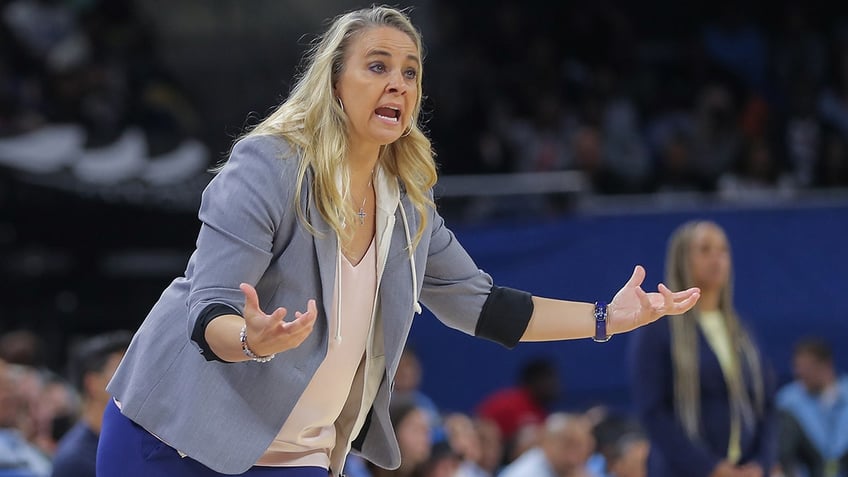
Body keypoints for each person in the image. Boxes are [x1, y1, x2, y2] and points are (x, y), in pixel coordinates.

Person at [96, 6, 700, 477]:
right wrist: (251, 339)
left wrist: (605, 318)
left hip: (297, 452)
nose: (399, 84)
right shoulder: (271, 167)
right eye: (378, 65)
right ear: (334, 83)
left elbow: (483, 306)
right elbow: (211, 311)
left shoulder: (406, 207)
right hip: (176, 436)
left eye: (410, 71)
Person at [628, 220, 776, 477]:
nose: (716, 258)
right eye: (705, 249)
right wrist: (711, 468)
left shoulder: (742, 332)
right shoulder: (658, 329)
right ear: (682, 259)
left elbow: (767, 405)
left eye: (723, 250)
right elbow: (652, 412)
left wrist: (761, 465)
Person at [50, 331, 132, 477]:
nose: (132, 381)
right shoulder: (75, 460)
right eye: (122, 372)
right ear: (92, 383)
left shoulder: (130, 443)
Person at [776, 337, 848, 477]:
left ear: (827, 366)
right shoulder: (787, 399)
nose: (801, 373)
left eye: (808, 368)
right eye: (798, 367)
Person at [497, 412, 598, 477]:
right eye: (567, 445)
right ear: (547, 443)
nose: (574, 455)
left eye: (580, 445)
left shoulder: (572, 469)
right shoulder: (526, 473)